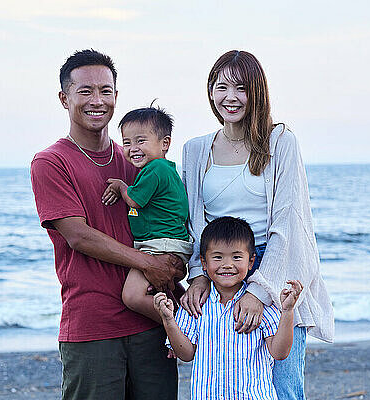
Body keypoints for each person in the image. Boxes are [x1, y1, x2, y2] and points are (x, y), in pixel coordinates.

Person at [179, 50, 334, 400]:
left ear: (256, 93)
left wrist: (259, 290)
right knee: (223, 380)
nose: (230, 97)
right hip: (221, 269)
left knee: (281, 387)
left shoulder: (280, 142)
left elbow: (287, 224)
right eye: (221, 87)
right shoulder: (195, 149)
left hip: (273, 268)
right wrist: (200, 274)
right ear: (210, 91)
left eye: (241, 88)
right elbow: (193, 222)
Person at [30, 49, 184, 400]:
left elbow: (168, 225)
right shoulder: (51, 162)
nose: (97, 100)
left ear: (116, 96)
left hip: (150, 320)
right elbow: (79, 236)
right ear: (64, 98)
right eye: (85, 91)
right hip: (92, 327)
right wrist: (149, 264)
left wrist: (184, 282)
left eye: (106, 91)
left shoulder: (138, 161)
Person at [155, 216, 303, 400]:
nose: (227, 264)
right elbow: (186, 354)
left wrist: (288, 312)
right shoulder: (195, 304)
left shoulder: (262, 305)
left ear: (251, 262)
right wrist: (168, 320)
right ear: (203, 262)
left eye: (236, 257)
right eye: (217, 257)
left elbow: (280, 353)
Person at [102, 105, 193, 322]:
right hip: (166, 245)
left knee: (132, 296)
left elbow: (134, 200)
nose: (133, 148)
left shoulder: (156, 169)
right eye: (126, 142)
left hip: (161, 246)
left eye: (140, 141)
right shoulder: (163, 169)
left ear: (165, 144)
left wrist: (121, 187)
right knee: (163, 293)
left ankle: (182, 327)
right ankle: (187, 320)